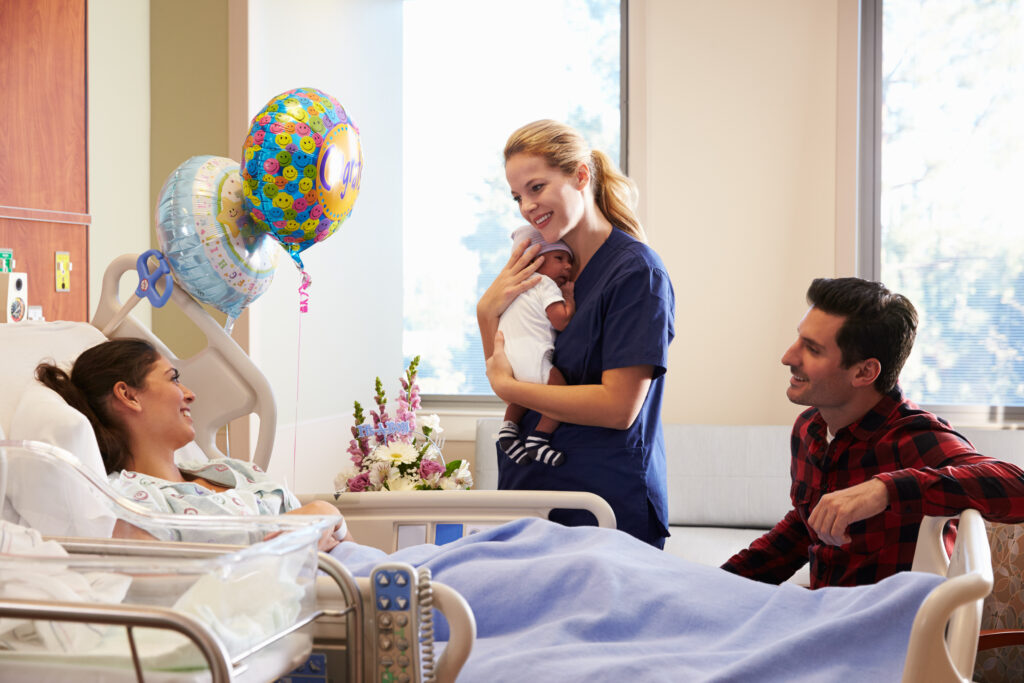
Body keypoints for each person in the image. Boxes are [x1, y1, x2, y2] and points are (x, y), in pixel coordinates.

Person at [722, 277, 1024, 588]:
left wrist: (884, 491)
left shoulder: (913, 438)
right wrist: (719, 583)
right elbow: (805, 527)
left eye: (812, 349)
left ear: (865, 372)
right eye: (799, 339)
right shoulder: (808, 429)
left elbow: (1017, 485)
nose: (788, 357)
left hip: (891, 631)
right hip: (823, 613)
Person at [478, 119, 675, 548]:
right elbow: (510, 368)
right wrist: (485, 311)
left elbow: (618, 407)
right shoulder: (540, 267)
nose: (526, 206)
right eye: (517, 196)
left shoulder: (637, 273)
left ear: (581, 175)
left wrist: (507, 386)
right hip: (529, 488)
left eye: (536, 187)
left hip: (602, 501)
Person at [35, 338, 350, 550]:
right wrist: (314, 522)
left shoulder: (229, 470)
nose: (189, 393)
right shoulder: (130, 504)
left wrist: (326, 520)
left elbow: (344, 546)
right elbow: (194, 586)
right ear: (128, 396)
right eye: (173, 378)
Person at [496, 224, 575, 467]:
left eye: (569, 260)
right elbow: (560, 321)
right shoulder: (544, 284)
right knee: (558, 391)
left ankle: (508, 432)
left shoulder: (510, 290)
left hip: (510, 356)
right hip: (533, 352)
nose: (568, 267)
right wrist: (570, 297)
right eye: (560, 258)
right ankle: (539, 438)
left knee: (520, 397)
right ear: (537, 261)